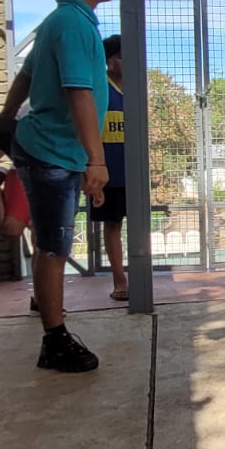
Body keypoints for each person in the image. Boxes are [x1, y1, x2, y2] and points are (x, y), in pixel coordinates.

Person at [0, 0, 125, 373]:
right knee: (53, 248)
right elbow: (78, 92)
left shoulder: (67, 21)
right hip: (52, 151)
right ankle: (54, 339)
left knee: (51, 243)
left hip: (54, 151)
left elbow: (26, 77)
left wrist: (5, 120)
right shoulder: (71, 22)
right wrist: (97, 159)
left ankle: (53, 327)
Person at [92, 35, 130, 302]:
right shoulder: (100, 90)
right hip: (108, 174)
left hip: (133, 174)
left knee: (139, 225)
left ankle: (139, 273)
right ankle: (119, 280)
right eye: (120, 57)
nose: (126, 62)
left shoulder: (136, 91)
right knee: (113, 225)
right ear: (107, 62)